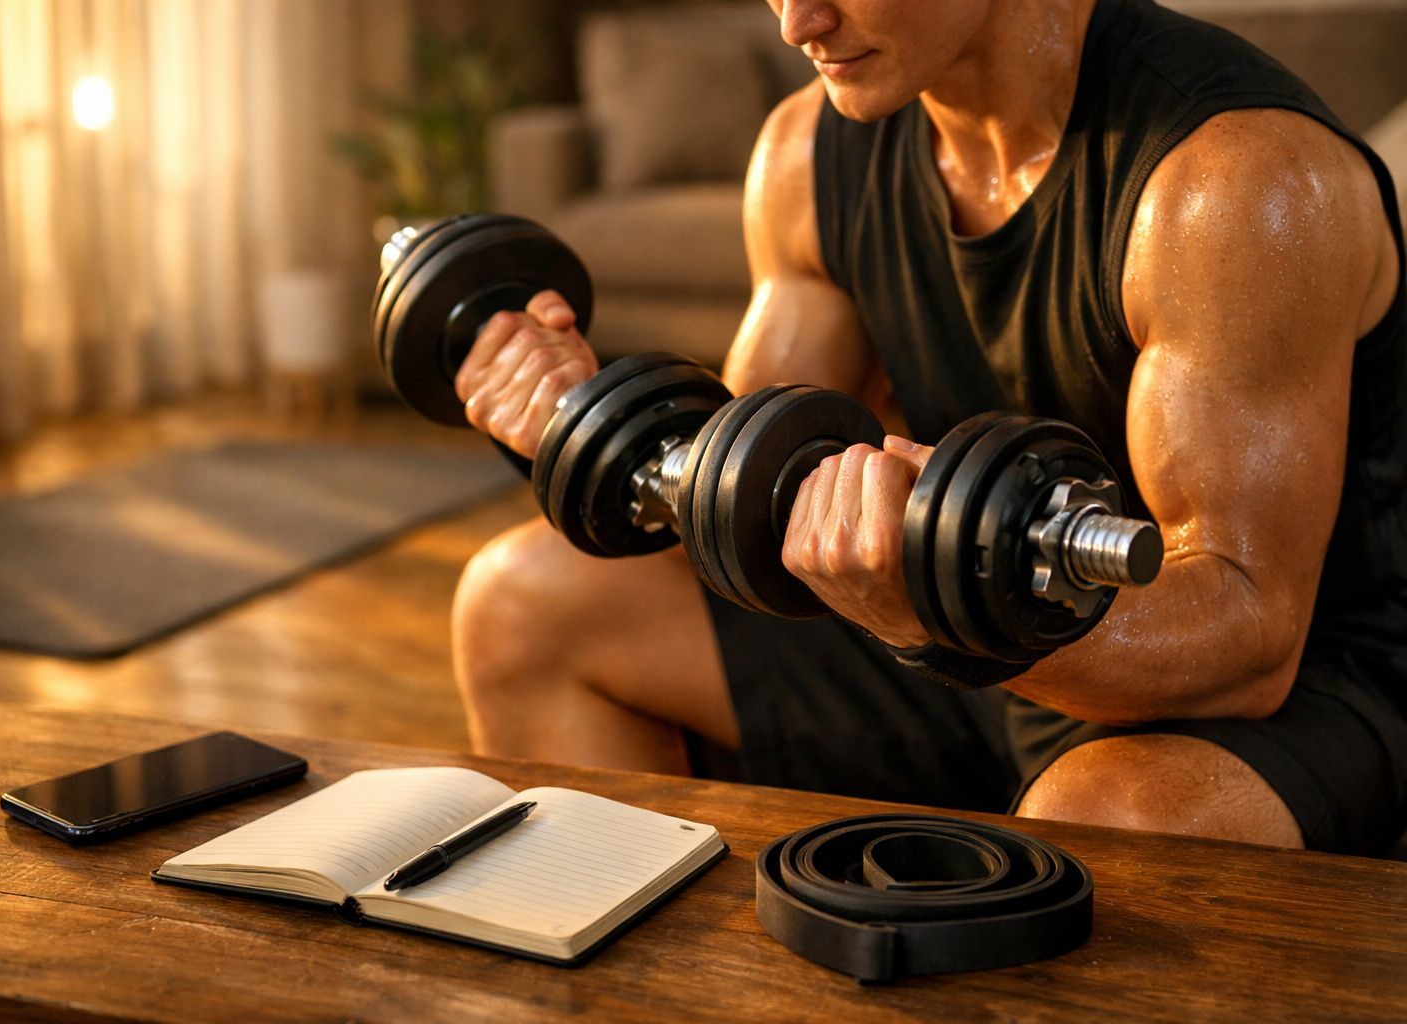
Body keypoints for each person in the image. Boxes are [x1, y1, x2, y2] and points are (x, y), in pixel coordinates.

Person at [447, 0, 1407, 854]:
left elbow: (1246, 638)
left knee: (1107, 826)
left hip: (1292, 687)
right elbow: (738, 506)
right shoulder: (808, 153)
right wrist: (581, 424)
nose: (796, 23)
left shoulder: (1234, 182)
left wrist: (936, 622)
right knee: (522, 606)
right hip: (973, 645)